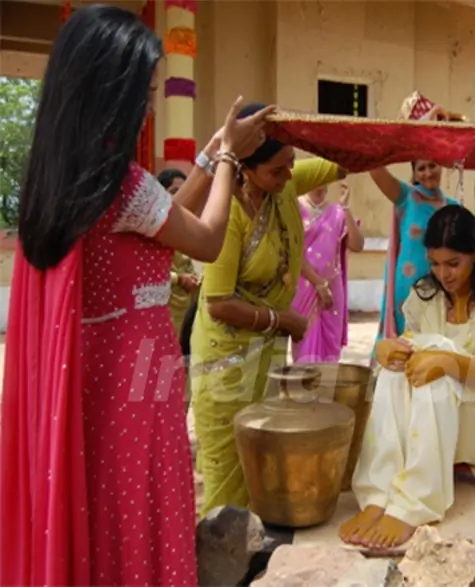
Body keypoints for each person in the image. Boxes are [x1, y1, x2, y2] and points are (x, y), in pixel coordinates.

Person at [0, 5, 271, 585]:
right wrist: (227, 157)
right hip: (137, 385)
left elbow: (167, 215)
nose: (147, 106)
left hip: (88, 379)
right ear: (110, 93)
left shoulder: (63, 181)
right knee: (141, 508)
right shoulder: (120, 184)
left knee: (97, 511)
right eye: (142, 92)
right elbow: (205, 237)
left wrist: (209, 155)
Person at [339, 205, 475, 550]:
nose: (444, 274)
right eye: (435, 263)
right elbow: (409, 352)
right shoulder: (427, 294)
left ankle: (416, 504)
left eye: (453, 263)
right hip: (443, 422)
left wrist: (447, 361)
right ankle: (378, 495)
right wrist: (384, 350)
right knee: (400, 364)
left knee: (436, 354)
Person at [190, 104, 348, 515]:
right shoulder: (228, 214)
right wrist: (284, 320)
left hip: (265, 361)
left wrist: (413, 133)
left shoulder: (285, 185)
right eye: (277, 171)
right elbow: (218, 302)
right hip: (225, 367)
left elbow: (347, 161)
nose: (288, 177)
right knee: (229, 487)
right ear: (244, 167)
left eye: (291, 165)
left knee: (262, 472)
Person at [373, 105, 461, 344]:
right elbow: (375, 165)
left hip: (443, 291)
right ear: (414, 172)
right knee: (403, 352)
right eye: (421, 168)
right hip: (407, 290)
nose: (428, 172)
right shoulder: (406, 197)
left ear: (441, 165)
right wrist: (413, 130)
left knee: (434, 352)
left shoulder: (453, 207)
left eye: (432, 165)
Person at [292, 182, 365, 363]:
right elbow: (291, 252)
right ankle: (306, 390)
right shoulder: (294, 208)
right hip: (304, 288)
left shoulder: (337, 211)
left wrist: (346, 207)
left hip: (332, 290)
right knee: (305, 346)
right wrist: (317, 283)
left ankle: (326, 389)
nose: (321, 184)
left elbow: (357, 245)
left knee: (330, 350)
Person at [158, 169, 201, 339]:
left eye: (185, 190)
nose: (182, 197)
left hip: (185, 308)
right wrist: (179, 279)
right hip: (164, 308)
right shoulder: (154, 229)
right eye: (175, 192)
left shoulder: (185, 226)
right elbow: (144, 273)